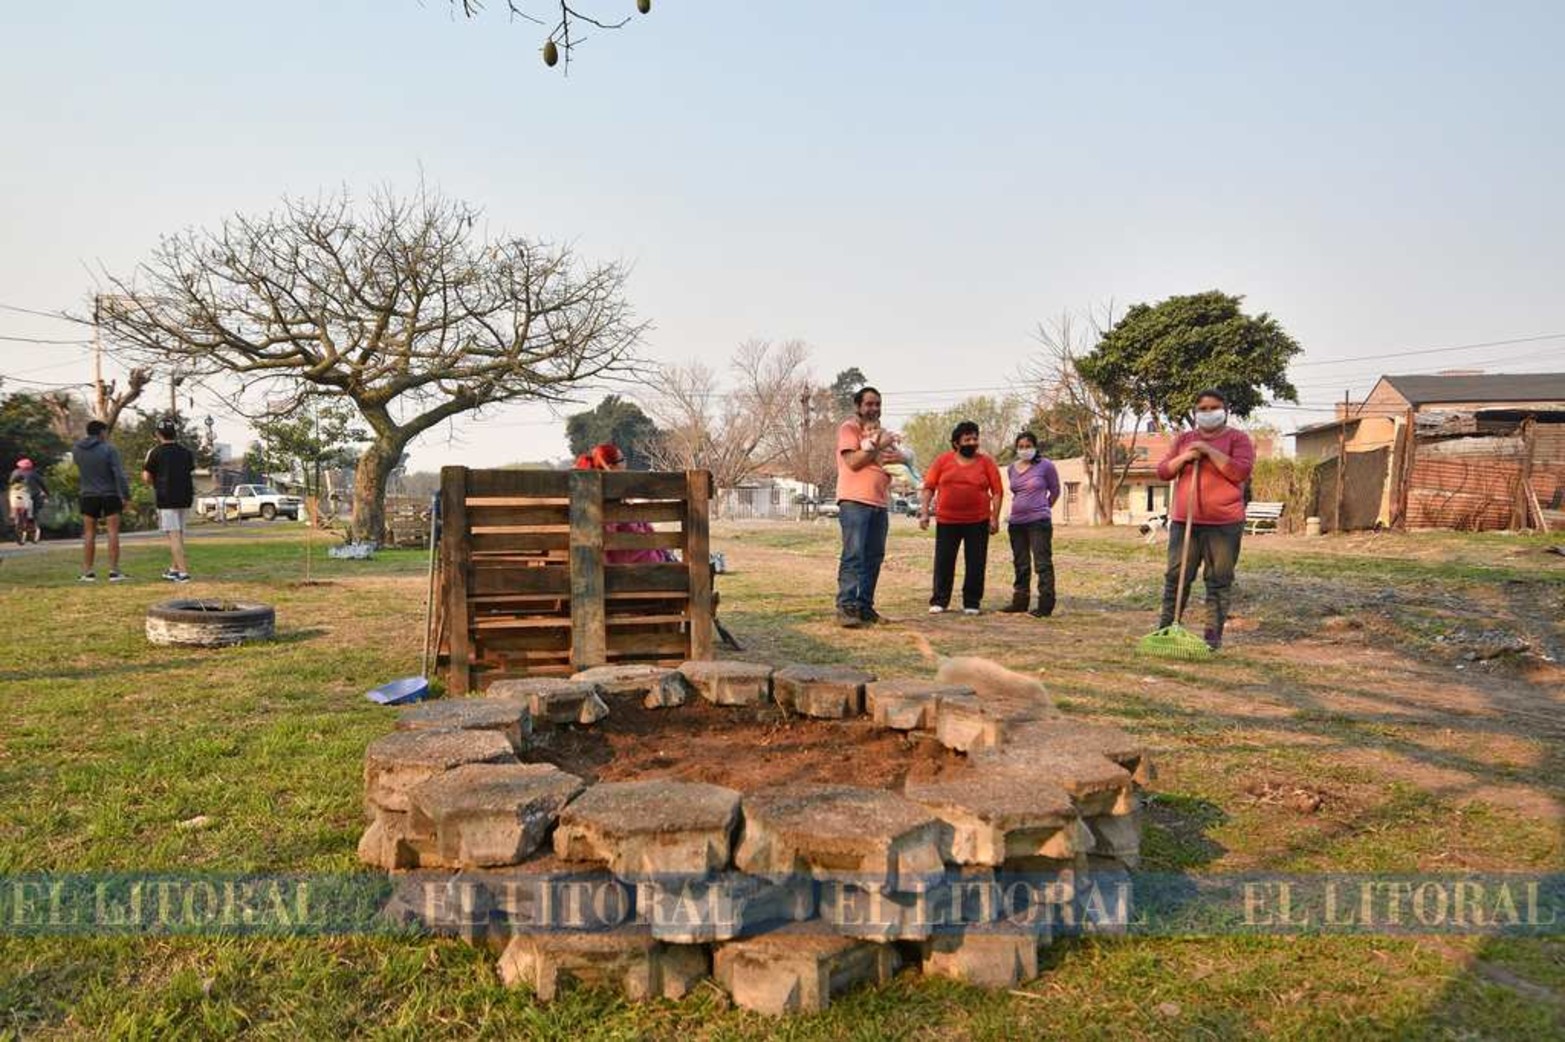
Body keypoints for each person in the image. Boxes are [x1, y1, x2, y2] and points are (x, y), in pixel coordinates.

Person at [1154, 389, 1256, 651]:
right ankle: (1166, 630)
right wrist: (1186, 456)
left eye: (1214, 408)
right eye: (1203, 409)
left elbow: (1239, 472)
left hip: (1224, 524)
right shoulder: (1183, 440)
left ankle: (1212, 637)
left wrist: (1209, 451)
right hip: (1185, 520)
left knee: (1218, 580)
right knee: (1176, 577)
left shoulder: (1238, 439)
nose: (1209, 413)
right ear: (1195, 412)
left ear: (1225, 411)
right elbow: (1163, 471)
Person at [834, 386, 910, 628]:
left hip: (879, 502)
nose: (874, 408)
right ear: (858, 406)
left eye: (877, 403)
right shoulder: (850, 429)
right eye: (869, 404)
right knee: (854, 555)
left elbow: (896, 459)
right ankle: (846, 607)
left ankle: (864, 606)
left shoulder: (881, 433)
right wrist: (879, 444)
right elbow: (853, 462)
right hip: (855, 501)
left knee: (874, 557)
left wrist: (900, 457)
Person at [919, 421, 1004, 615]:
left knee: (976, 562)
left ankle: (972, 602)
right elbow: (929, 487)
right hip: (947, 520)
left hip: (978, 520)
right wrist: (924, 512)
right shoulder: (942, 461)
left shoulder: (986, 462)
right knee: (944, 561)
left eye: (975, 439)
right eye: (967, 439)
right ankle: (940, 600)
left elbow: (997, 491)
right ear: (957, 443)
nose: (972, 442)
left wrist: (994, 517)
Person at [574, 443, 671, 564]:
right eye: (622, 460)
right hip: (638, 571)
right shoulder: (612, 506)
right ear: (611, 467)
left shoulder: (589, 500)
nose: (626, 463)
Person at [1001, 431, 1061, 617]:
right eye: (1021, 447)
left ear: (1035, 447)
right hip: (1016, 523)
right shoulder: (1012, 468)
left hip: (1039, 522)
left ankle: (1045, 604)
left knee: (1042, 563)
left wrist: (1043, 508)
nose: (1025, 450)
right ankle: (1020, 601)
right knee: (1021, 563)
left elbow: (1055, 490)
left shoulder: (1046, 466)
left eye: (1028, 446)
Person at [71, 419, 131, 582]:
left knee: (89, 533)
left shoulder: (77, 449)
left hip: (88, 494)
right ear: (102, 432)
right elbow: (119, 474)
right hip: (109, 494)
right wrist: (126, 495)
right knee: (112, 532)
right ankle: (114, 570)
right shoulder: (109, 449)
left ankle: (88, 571)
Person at [142, 417, 196, 582]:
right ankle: (174, 568)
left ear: (158, 434)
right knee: (179, 534)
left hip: (166, 497)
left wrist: (155, 483)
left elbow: (146, 477)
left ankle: (183, 573)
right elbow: (190, 471)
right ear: (175, 433)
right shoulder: (186, 452)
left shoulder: (155, 452)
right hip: (185, 496)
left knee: (173, 535)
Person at [7, 458, 48, 545]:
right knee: (34, 510)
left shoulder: (15, 472)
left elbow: (10, 482)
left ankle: (14, 515)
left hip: (15, 495)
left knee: (14, 502)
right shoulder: (34, 473)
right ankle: (31, 519)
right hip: (31, 495)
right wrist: (47, 493)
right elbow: (42, 485)